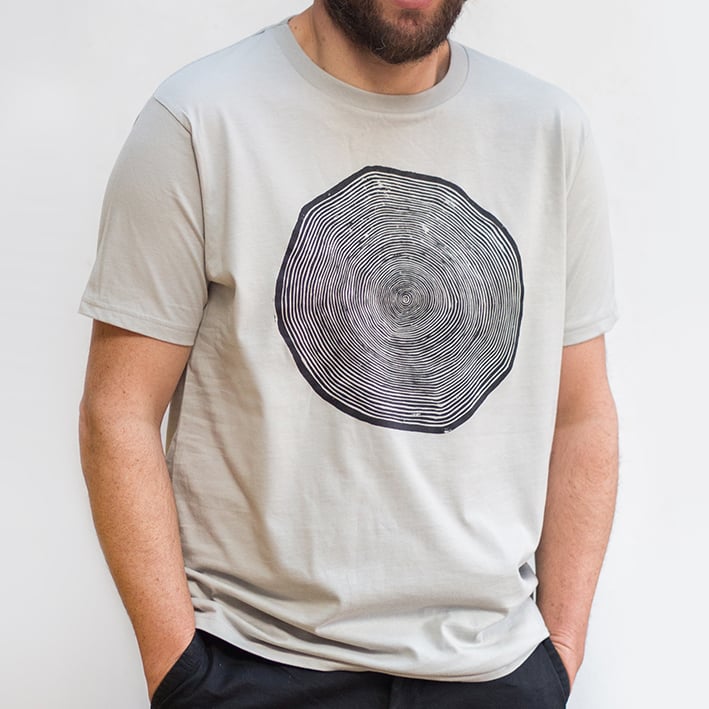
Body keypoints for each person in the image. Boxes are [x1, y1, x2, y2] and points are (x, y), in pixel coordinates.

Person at [79, 1, 618, 707]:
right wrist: (178, 669)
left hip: (493, 671)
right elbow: (118, 409)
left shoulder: (548, 131)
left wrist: (559, 654)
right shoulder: (201, 118)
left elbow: (581, 414)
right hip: (255, 661)